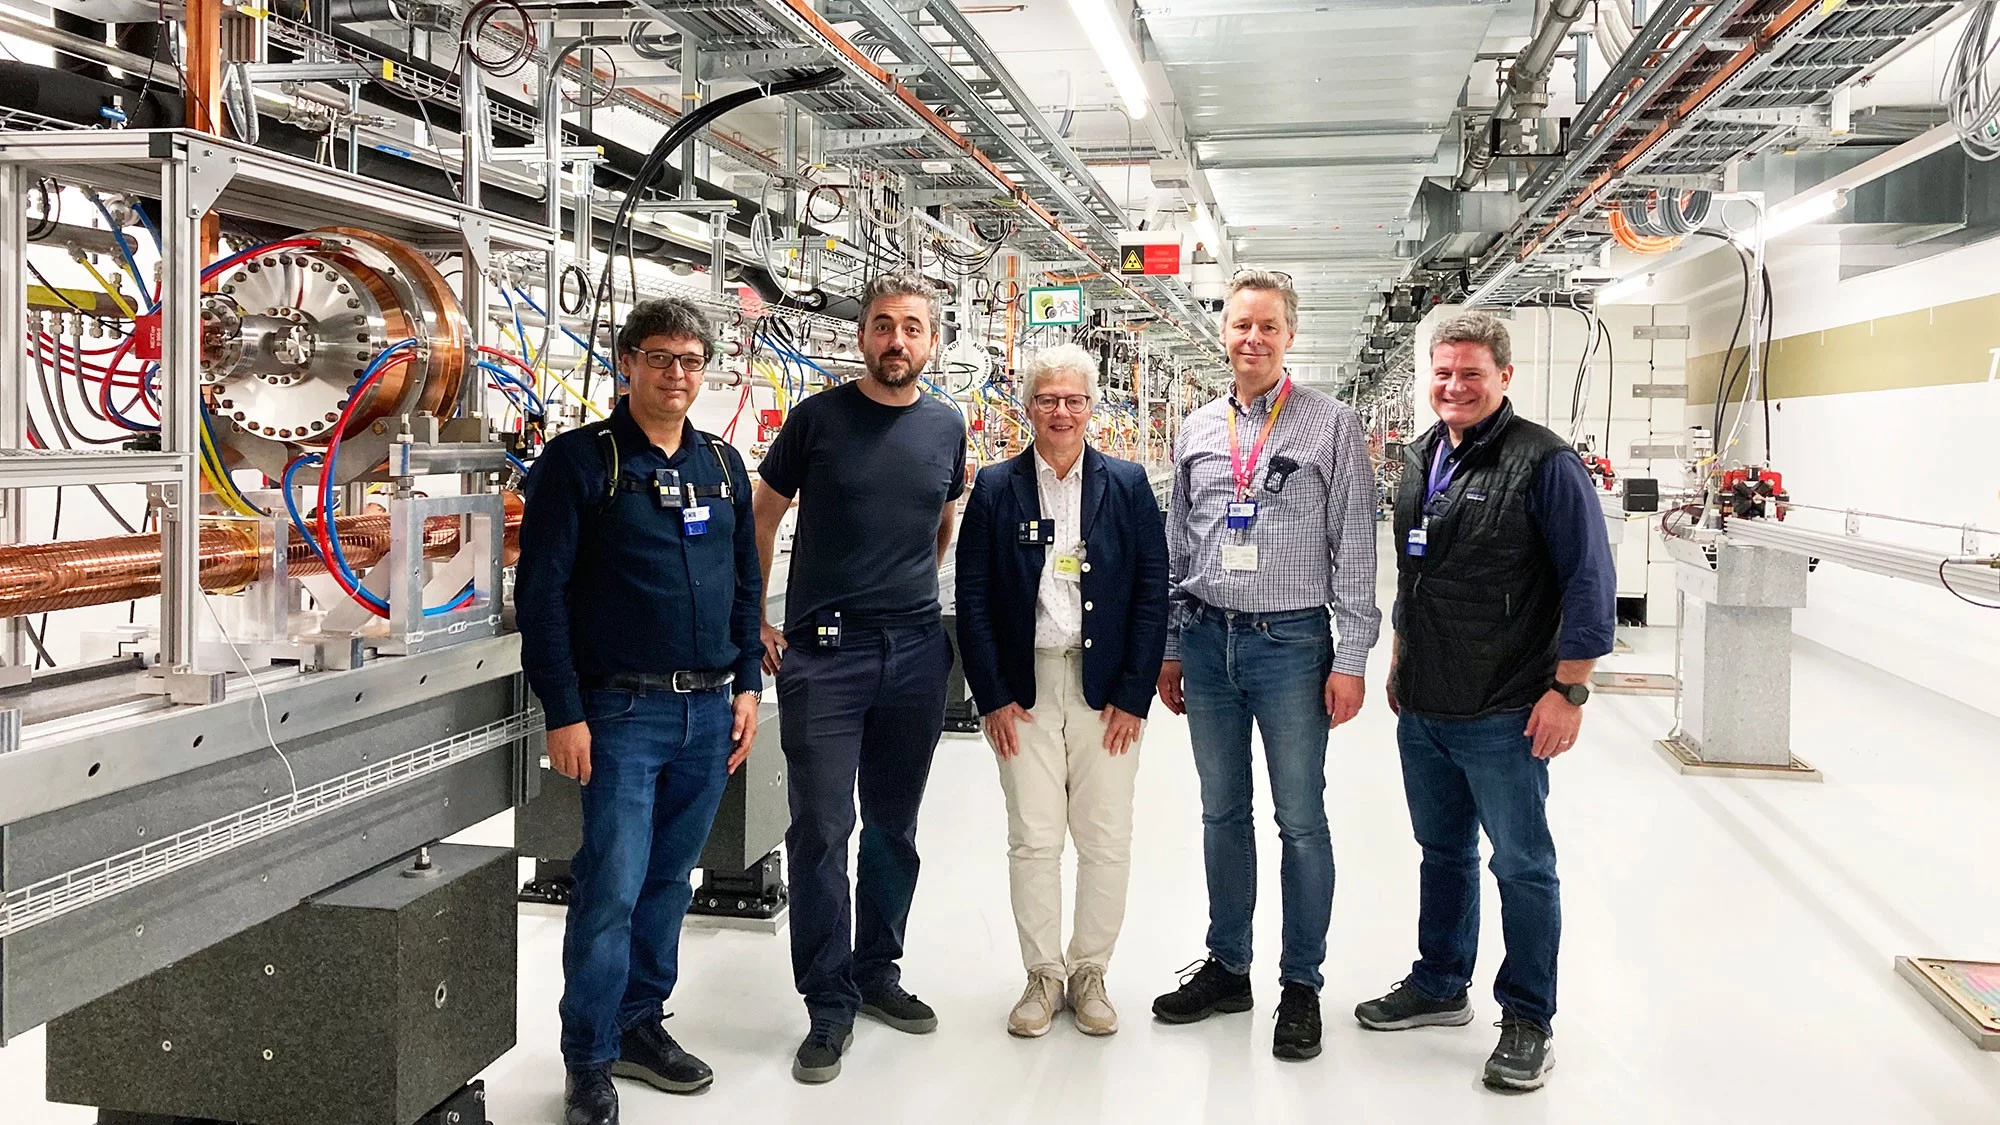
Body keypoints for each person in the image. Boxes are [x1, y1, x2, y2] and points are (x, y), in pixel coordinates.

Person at [514, 298, 764, 1125]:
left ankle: (639, 1024)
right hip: (620, 714)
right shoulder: (582, 462)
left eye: (691, 360)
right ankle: (587, 1056)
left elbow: (744, 584)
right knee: (611, 886)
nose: (677, 374)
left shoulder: (723, 467)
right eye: (660, 357)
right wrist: (564, 709)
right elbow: (541, 593)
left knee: (667, 882)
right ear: (627, 361)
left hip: (707, 711)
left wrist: (748, 687)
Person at [1351, 311, 1615, 1092]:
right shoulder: (1421, 455)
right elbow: (1414, 572)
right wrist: (1400, 656)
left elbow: (1589, 582)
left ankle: (1529, 1015)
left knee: (1524, 865)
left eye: (1470, 373)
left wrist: (1569, 689)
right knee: (1444, 852)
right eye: (1443, 372)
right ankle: (1440, 981)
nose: (1454, 386)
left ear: (1503, 377)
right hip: (1427, 703)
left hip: (1506, 705)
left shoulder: (1545, 462)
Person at [1151, 269, 1381, 1061]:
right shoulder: (1197, 426)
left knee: (1300, 819)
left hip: (1291, 645)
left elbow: (1355, 545)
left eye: (1269, 326)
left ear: (1290, 334)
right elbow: (1180, 543)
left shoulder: (1330, 424)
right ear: (1224, 331)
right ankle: (1229, 964)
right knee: (1221, 812)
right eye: (1242, 324)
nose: (1253, 338)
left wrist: (1349, 655)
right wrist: (1174, 644)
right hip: (1210, 644)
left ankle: (1302, 981)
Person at [751, 270, 968, 1084]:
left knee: (893, 826)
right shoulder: (817, 420)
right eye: (883, 324)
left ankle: (878, 967)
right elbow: (762, 515)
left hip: (913, 653)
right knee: (819, 830)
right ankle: (828, 999)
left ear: (931, 340)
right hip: (826, 656)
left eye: (912, 327)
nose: (896, 340)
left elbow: (941, 523)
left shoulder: (947, 425)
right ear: (861, 336)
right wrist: (755, 620)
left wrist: (906, 593)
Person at [954, 344, 1169, 1039]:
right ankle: (1043, 973)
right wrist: (990, 695)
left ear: (1092, 406)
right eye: (1048, 398)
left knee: (1106, 837)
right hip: (1027, 687)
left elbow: (1150, 592)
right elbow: (973, 597)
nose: (1062, 411)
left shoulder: (1128, 484)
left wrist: (1134, 693)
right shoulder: (994, 486)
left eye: (1075, 399)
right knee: (1034, 837)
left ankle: (1091, 971)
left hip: (1107, 689)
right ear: (1028, 405)